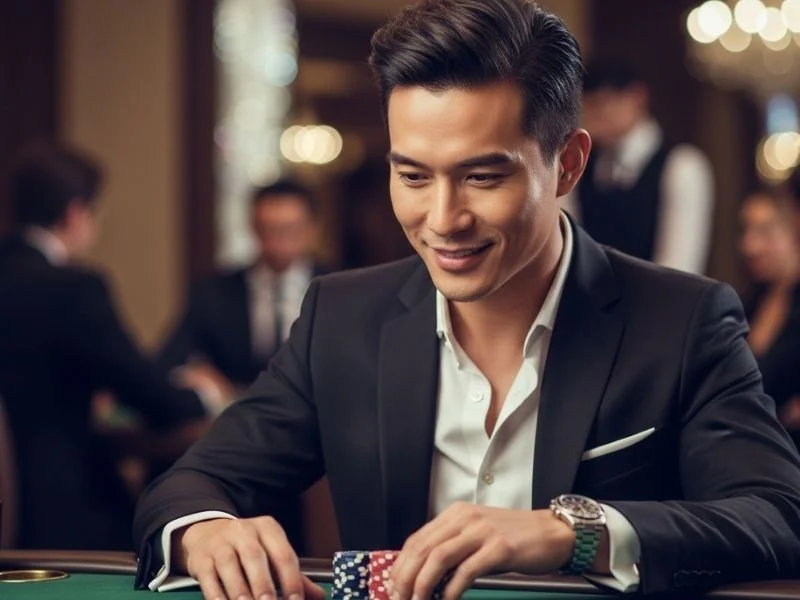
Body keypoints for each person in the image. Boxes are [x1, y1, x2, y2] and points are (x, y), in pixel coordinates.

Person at [133, 1, 800, 598]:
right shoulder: (341, 318)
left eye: (483, 176)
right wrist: (208, 532)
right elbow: (189, 488)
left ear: (567, 163)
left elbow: (776, 516)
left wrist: (574, 534)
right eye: (413, 176)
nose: (444, 219)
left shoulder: (683, 320)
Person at [0, 142, 221, 550]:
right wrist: (202, 396)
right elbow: (145, 392)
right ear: (75, 212)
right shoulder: (74, 289)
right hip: (57, 506)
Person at [157, 180, 325, 390]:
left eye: (289, 230)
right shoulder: (215, 292)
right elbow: (170, 359)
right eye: (267, 230)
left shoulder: (338, 289)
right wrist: (202, 376)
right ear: (253, 228)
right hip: (239, 412)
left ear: (311, 229)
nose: (277, 242)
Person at [565, 60, 715, 274]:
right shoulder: (582, 169)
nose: (593, 117)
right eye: (585, 107)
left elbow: (679, 270)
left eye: (601, 103)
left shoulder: (681, 165)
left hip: (662, 301)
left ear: (637, 97)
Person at [739, 188, 800, 444]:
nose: (749, 246)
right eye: (745, 231)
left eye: (764, 231)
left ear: (794, 229)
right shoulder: (751, 302)